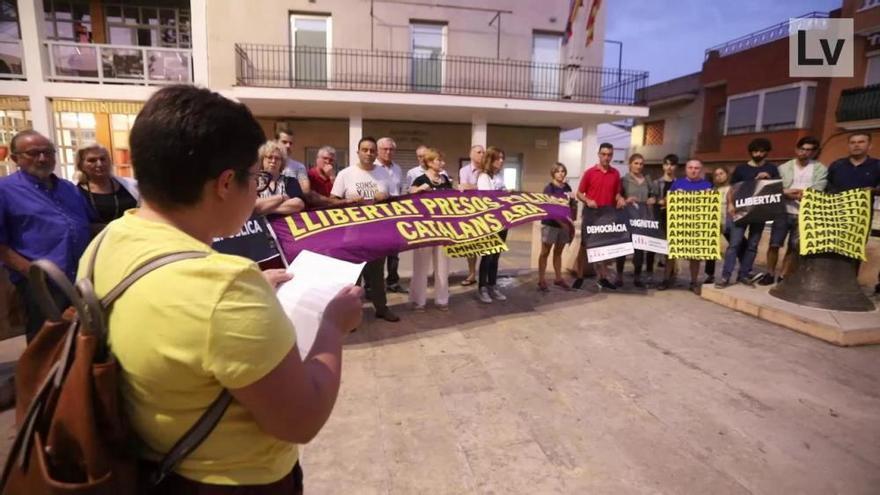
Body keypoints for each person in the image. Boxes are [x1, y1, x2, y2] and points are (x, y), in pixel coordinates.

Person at [77, 85, 363, 491]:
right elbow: (302, 418)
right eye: (254, 176)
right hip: (231, 479)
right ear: (226, 183)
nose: (256, 187)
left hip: (147, 464)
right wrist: (333, 327)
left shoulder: (107, 240)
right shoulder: (223, 287)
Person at [0, 130, 94, 342]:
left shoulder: (69, 188)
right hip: (40, 283)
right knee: (45, 340)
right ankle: (39, 376)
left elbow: (87, 224)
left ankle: (71, 375)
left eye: (48, 152)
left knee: (76, 336)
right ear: (15, 158)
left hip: (78, 278)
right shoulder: (5, 190)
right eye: (33, 153)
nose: (42, 158)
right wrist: (31, 273)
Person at [332, 136, 400, 322]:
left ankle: (381, 308)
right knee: (353, 278)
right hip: (351, 235)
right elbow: (332, 201)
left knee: (378, 275)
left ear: (376, 153)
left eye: (372, 150)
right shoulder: (345, 174)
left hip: (377, 234)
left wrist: (385, 195)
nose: (369, 153)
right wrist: (347, 201)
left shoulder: (384, 173)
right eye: (365, 150)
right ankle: (351, 315)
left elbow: (396, 200)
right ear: (358, 152)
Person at [757, 136, 827, 285]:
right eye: (802, 149)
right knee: (774, 244)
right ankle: (769, 273)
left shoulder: (820, 169)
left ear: (814, 152)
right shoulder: (784, 167)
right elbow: (774, 187)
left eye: (809, 150)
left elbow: (819, 189)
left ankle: (783, 276)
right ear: (797, 150)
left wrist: (798, 194)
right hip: (782, 211)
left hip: (804, 213)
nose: (805, 152)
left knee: (794, 247)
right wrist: (786, 192)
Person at [716, 138, 780, 288]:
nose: (758, 154)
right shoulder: (741, 169)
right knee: (734, 244)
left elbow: (776, 189)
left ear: (766, 152)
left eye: (762, 151)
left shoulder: (772, 169)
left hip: (760, 212)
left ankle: (744, 275)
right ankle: (726, 276)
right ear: (751, 152)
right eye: (755, 151)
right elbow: (732, 188)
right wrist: (731, 204)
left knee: (752, 245)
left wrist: (768, 179)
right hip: (741, 211)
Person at [826, 132, 880, 294]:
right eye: (853, 142)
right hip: (837, 215)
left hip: (860, 217)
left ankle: (847, 287)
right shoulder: (837, 165)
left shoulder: (877, 165)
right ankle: (829, 283)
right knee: (833, 248)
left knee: (854, 250)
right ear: (848, 145)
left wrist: (874, 190)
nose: (857, 145)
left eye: (861, 142)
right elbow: (827, 187)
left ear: (869, 145)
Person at [575, 142, 626, 291]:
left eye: (609, 155)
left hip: (608, 215)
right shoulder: (590, 173)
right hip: (591, 214)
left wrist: (620, 198)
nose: (606, 157)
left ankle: (603, 277)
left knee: (604, 246)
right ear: (599, 154)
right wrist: (588, 200)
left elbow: (616, 193)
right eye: (603, 154)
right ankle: (579, 277)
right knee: (584, 246)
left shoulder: (615, 173)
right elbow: (579, 193)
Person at [408, 148, 452, 311]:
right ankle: (419, 300)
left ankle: (442, 299)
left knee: (442, 266)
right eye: (439, 160)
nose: (442, 163)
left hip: (442, 228)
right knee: (421, 266)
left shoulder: (445, 179)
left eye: (442, 160)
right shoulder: (419, 179)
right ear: (429, 162)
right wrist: (419, 190)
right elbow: (409, 199)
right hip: (424, 229)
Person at [665, 159, 714, 294]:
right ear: (686, 169)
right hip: (678, 224)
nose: (693, 170)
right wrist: (674, 197)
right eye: (690, 168)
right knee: (671, 253)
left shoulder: (707, 186)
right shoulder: (677, 184)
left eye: (696, 168)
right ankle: (666, 279)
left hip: (697, 226)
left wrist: (708, 198)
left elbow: (712, 209)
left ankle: (693, 282)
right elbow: (667, 203)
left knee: (695, 256)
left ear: (701, 170)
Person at [75, 143, 139, 232]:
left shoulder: (132, 185)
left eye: (103, 159)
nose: (99, 164)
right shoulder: (74, 192)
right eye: (92, 160)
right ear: (80, 165)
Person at [616, 153, 656, 288]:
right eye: (636, 163)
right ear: (630, 164)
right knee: (623, 248)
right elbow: (618, 197)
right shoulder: (624, 180)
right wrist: (625, 200)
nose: (639, 166)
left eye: (641, 164)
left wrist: (653, 199)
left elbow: (653, 196)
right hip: (627, 218)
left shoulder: (648, 180)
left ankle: (637, 277)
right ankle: (619, 276)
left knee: (639, 249)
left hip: (643, 219)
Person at [476, 146, 508, 303]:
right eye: (498, 158)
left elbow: (503, 193)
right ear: (491, 159)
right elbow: (487, 200)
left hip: (503, 221)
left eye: (502, 158)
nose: (501, 161)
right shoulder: (484, 177)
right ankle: (482, 287)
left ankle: (492, 285)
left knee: (496, 256)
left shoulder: (499, 176)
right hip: (489, 223)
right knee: (487, 256)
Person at [375, 137, 407, 294]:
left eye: (391, 149)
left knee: (394, 253)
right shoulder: (372, 167)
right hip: (377, 214)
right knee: (377, 253)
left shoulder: (398, 168)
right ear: (378, 150)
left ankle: (393, 282)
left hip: (395, 213)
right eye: (384, 149)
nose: (388, 152)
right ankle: (373, 286)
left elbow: (400, 190)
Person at [537, 163, 575, 292]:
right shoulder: (549, 188)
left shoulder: (567, 187)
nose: (561, 173)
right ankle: (541, 279)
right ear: (553, 173)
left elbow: (570, 205)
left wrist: (573, 207)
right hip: (550, 224)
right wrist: (562, 224)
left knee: (558, 253)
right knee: (545, 252)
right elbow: (548, 208)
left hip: (564, 225)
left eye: (563, 171)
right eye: (558, 171)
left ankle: (558, 278)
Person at [703, 167, 737, 285]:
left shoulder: (732, 188)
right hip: (714, 222)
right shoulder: (712, 189)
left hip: (729, 221)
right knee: (711, 249)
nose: (719, 176)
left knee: (736, 245)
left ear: (727, 174)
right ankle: (709, 274)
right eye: (716, 175)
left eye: (721, 173)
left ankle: (743, 272)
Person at [254, 140, 307, 215]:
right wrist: (281, 197)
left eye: (277, 158)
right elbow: (254, 206)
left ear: (282, 162)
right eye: (269, 157)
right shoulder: (254, 181)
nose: (273, 161)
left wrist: (266, 209)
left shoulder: (290, 181)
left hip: (283, 226)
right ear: (262, 159)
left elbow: (299, 204)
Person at [458, 144, 485, 286]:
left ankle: (485, 276)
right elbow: (464, 188)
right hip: (471, 212)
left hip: (486, 212)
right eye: (478, 152)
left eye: (483, 152)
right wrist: (480, 187)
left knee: (486, 245)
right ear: (471, 154)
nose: (481, 154)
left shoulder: (488, 170)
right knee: (471, 246)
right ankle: (472, 273)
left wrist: (473, 187)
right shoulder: (464, 170)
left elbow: (494, 188)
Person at [654, 154, 679, 280]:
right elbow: (652, 199)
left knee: (672, 249)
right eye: (667, 164)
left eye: (672, 164)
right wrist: (660, 201)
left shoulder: (680, 184)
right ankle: (653, 273)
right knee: (658, 247)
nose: (669, 167)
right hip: (660, 218)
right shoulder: (656, 183)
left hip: (675, 219)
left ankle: (668, 277)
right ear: (663, 166)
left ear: (676, 167)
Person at [276, 128, 311, 194]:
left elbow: (305, 190)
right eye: (284, 142)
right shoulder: (266, 163)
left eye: (290, 143)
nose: (288, 146)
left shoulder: (299, 167)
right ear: (276, 142)